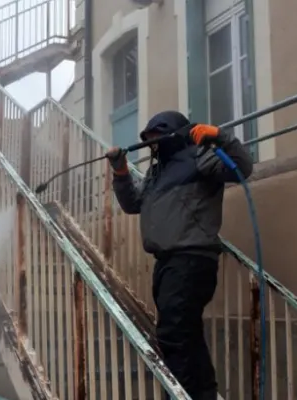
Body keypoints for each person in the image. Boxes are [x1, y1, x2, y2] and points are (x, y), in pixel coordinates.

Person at [105, 110, 253, 400]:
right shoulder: (155, 173)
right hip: (167, 263)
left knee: (173, 333)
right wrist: (121, 172)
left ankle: (185, 395)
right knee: (186, 333)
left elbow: (242, 168)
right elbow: (133, 204)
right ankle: (204, 394)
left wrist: (220, 137)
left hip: (191, 259)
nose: (152, 145)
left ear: (175, 133)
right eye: (148, 140)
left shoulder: (200, 157)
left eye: (157, 137)